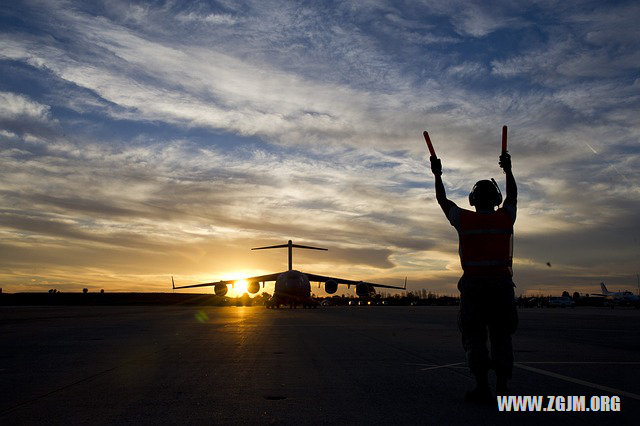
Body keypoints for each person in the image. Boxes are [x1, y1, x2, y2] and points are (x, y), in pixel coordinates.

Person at [429, 150, 518, 403]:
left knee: (474, 337)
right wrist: (508, 170)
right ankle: (502, 387)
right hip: (501, 287)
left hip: (474, 289)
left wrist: (437, 175)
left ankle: (482, 387)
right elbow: (513, 196)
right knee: (501, 337)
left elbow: (442, 200)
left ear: (472, 200)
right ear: (496, 199)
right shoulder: (505, 219)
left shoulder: (464, 220)